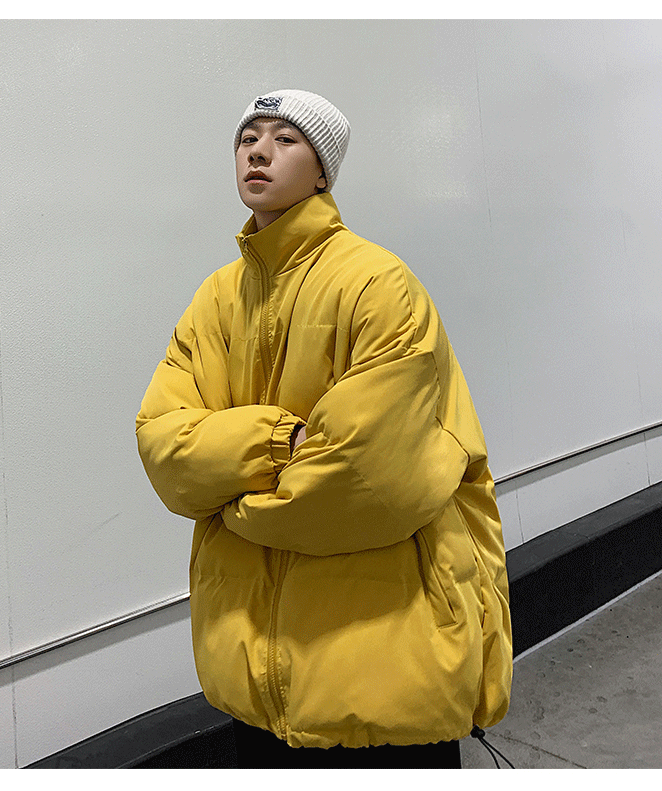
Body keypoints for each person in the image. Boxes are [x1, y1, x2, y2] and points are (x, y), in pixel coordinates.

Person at [136, 89, 512, 769]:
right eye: (248, 138)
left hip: (383, 666)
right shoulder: (215, 297)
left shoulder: (378, 284)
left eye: (286, 139)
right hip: (251, 670)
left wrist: (230, 497)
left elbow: (367, 478)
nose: (259, 151)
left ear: (322, 173)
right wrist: (280, 444)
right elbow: (165, 446)